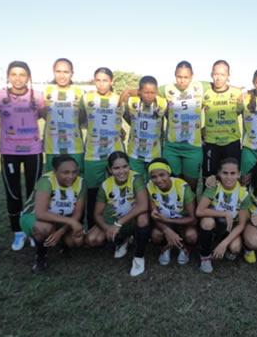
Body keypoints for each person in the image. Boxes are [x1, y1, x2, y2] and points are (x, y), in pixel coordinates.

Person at [0, 61, 45, 251]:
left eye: (22, 74)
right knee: (13, 193)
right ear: (8, 76)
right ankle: (17, 232)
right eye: (13, 74)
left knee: (33, 193)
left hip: (33, 151)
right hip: (9, 152)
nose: (18, 78)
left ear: (28, 77)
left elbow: (43, 116)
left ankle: (31, 230)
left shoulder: (37, 97)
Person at [86, 152, 150, 276]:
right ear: (110, 169)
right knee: (92, 239)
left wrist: (118, 224)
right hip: (114, 220)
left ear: (129, 166)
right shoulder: (105, 185)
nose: (122, 171)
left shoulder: (136, 178)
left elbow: (143, 205)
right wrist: (108, 228)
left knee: (143, 218)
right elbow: (97, 214)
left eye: (125, 166)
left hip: (129, 219)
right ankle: (123, 240)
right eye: (116, 168)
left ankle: (139, 257)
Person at [20, 155, 85, 273]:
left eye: (74, 172)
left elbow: (77, 214)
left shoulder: (81, 182)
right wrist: (71, 222)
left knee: (76, 241)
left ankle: (61, 242)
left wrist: (60, 232)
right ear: (55, 171)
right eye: (65, 172)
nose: (71, 176)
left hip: (61, 219)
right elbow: (40, 213)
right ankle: (40, 257)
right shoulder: (46, 181)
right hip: (34, 217)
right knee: (44, 228)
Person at [80, 67, 124, 228]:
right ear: (94, 81)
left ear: (111, 81)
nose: (101, 83)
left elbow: (127, 118)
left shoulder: (120, 99)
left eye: (105, 80)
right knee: (93, 193)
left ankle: (118, 226)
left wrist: (122, 130)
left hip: (115, 153)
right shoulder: (86, 98)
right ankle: (92, 227)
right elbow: (80, 119)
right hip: (93, 154)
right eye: (98, 80)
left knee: (118, 192)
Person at [159, 61, 209, 192]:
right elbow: (147, 90)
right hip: (172, 147)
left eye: (186, 77)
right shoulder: (166, 89)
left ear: (192, 76)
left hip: (193, 148)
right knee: (174, 185)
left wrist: (244, 91)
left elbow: (221, 85)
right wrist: (128, 92)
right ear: (175, 75)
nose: (182, 81)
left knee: (190, 188)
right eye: (179, 77)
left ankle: (191, 212)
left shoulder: (201, 86)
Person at [196, 158, 251, 273]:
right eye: (225, 173)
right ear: (219, 173)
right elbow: (199, 211)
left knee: (235, 248)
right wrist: (224, 213)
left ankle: (224, 246)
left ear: (238, 174)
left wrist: (224, 244)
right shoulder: (214, 186)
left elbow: (241, 225)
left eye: (233, 173)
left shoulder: (243, 193)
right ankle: (205, 256)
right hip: (215, 224)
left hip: (230, 228)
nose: (229, 177)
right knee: (207, 222)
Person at [147, 159, 198, 265]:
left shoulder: (183, 187)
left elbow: (193, 219)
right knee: (156, 235)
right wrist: (167, 230)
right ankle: (166, 246)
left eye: (162, 175)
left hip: (183, 222)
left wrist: (168, 221)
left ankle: (184, 247)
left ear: (169, 172)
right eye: (154, 177)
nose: (159, 180)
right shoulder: (149, 187)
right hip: (164, 222)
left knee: (191, 235)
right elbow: (154, 215)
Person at [202, 60, 244, 178]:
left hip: (231, 142)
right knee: (210, 178)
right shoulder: (205, 93)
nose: (218, 78)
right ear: (211, 75)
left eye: (222, 75)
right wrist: (200, 131)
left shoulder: (237, 93)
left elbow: (243, 113)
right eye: (216, 74)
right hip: (211, 143)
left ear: (228, 76)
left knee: (232, 178)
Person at [43, 58, 84, 173]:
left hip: (75, 147)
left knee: (76, 181)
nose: (62, 76)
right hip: (53, 147)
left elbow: (86, 117)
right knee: (53, 183)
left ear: (72, 73)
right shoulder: (46, 91)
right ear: (53, 72)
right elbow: (42, 115)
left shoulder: (80, 93)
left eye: (66, 72)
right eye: (58, 71)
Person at [124, 76, 168, 178]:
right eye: (146, 92)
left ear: (156, 92)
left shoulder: (162, 104)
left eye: (152, 93)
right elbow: (123, 111)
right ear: (139, 92)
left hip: (154, 154)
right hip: (134, 154)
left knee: (152, 185)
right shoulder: (132, 102)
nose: (149, 96)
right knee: (136, 183)